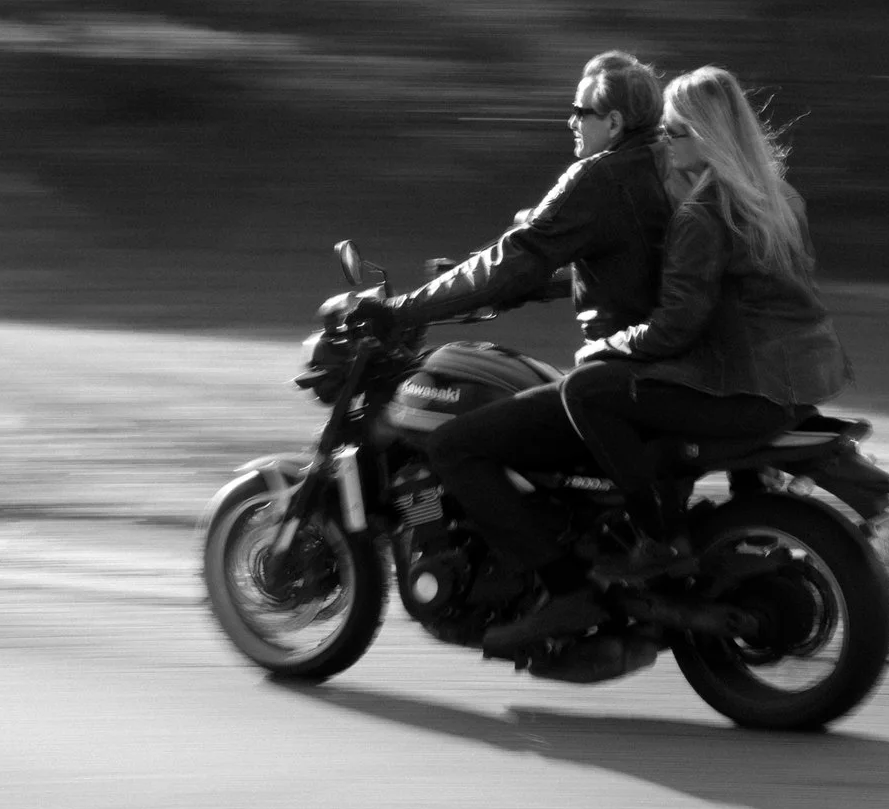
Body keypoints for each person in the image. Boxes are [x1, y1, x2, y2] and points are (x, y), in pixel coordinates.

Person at [349, 51, 673, 657]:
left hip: (623, 379)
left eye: (583, 110)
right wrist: (522, 285)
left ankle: (564, 588)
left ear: (617, 124)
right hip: (667, 372)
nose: (571, 120)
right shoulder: (661, 167)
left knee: (454, 445)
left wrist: (405, 309)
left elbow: (509, 259)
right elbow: (612, 262)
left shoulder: (599, 177)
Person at [560, 66, 851, 584]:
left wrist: (607, 346)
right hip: (804, 382)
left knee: (585, 390)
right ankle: (747, 535)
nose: (665, 144)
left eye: (674, 133)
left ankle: (658, 540)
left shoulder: (703, 215)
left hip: (749, 388)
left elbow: (673, 329)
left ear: (706, 136)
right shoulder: (781, 199)